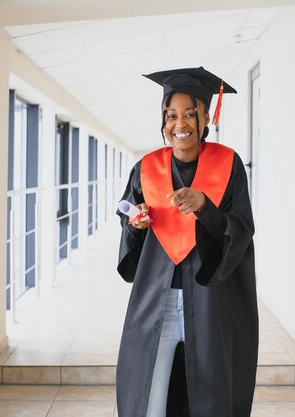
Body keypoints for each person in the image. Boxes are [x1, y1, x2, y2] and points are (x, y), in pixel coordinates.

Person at [115, 67, 259, 417]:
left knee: (209, 397)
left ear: (206, 117)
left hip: (211, 303)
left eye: (190, 114)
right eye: (171, 115)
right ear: (163, 121)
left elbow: (240, 230)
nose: (180, 123)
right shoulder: (145, 168)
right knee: (149, 399)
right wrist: (136, 225)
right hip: (156, 302)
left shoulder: (229, 165)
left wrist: (205, 207)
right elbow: (131, 231)